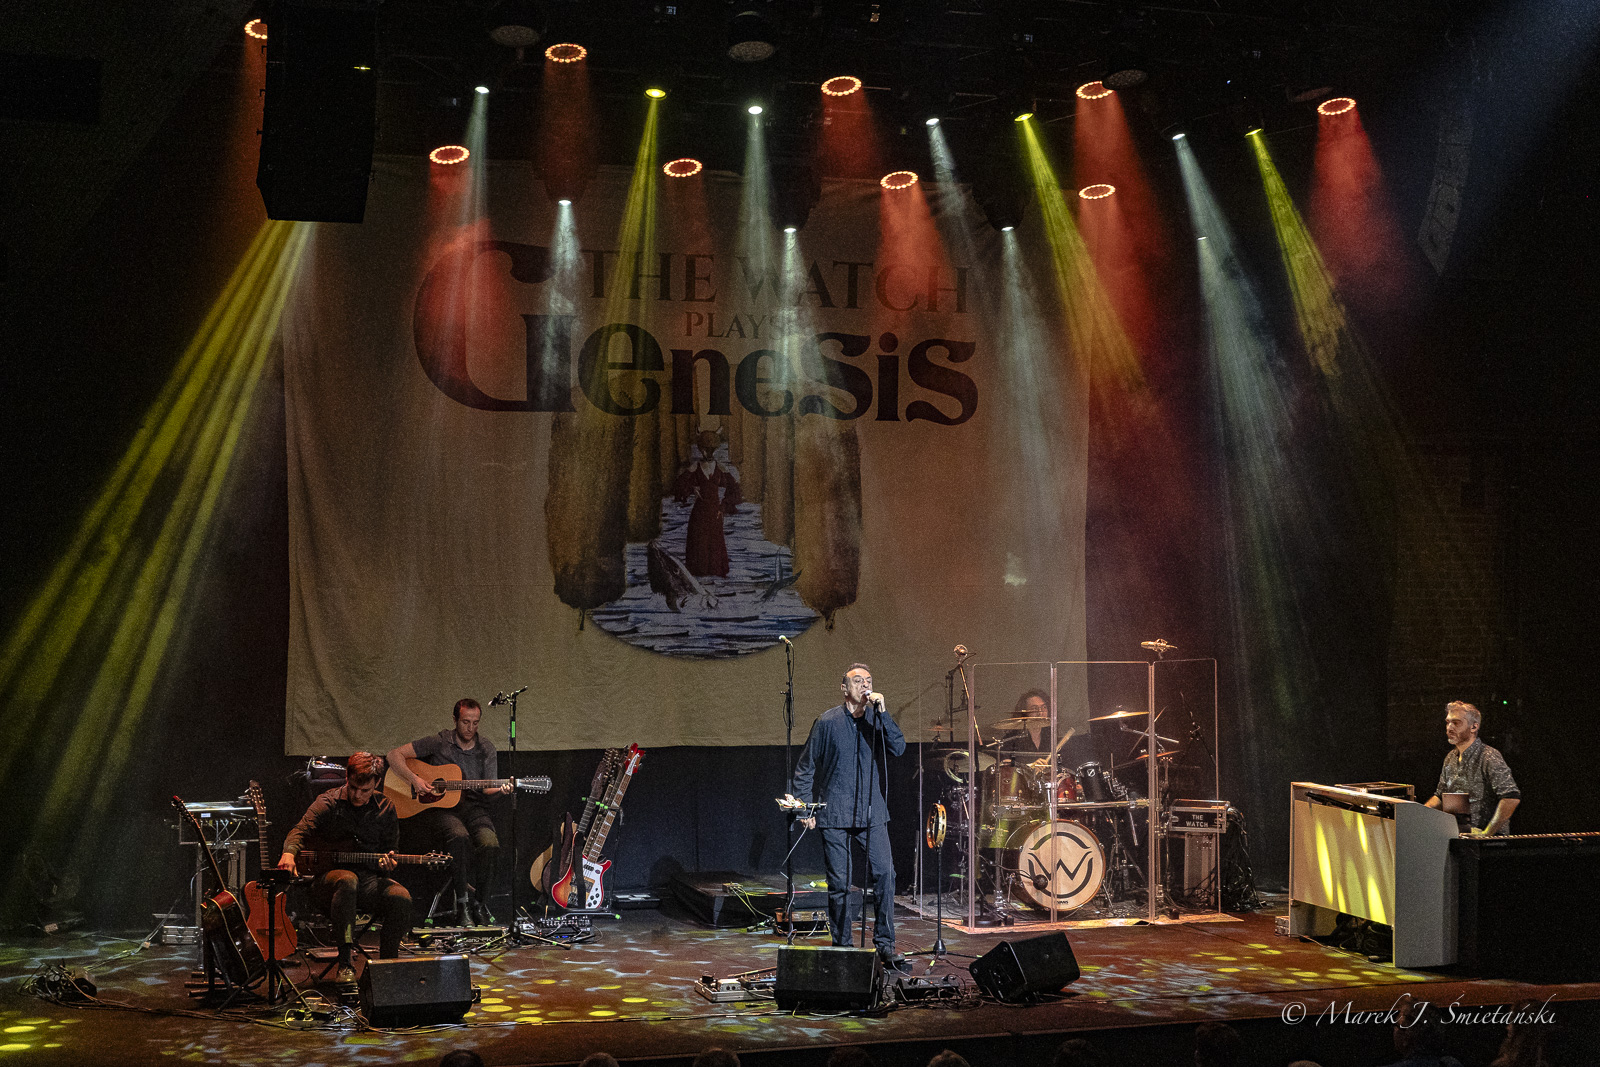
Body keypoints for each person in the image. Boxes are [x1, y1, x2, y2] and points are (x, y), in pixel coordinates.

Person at [786, 663, 908, 972]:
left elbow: (898, 748)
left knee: (886, 875)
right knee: (839, 884)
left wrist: (884, 713)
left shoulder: (876, 719)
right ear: (844, 688)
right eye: (858, 680)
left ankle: (885, 944)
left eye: (869, 680)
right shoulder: (826, 722)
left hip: (871, 812)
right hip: (834, 811)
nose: (865, 685)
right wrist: (804, 808)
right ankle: (842, 946)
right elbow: (806, 767)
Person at [279, 751, 412, 983]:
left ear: (377, 783)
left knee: (401, 897)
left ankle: (388, 968)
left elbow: (391, 850)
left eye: (365, 790)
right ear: (347, 779)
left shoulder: (385, 807)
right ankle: (345, 964)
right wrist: (289, 854)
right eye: (353, 788)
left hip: (367, 882)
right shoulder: (328, 801)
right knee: (347, 879)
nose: (357, 795)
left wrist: (388, 863)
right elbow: (300, 830)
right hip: (327, 884)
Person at [387, 698, 508, 924]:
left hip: (474, 808)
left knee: (490, 844)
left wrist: (502, 789)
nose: (470, 728)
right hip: (443, 810)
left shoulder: (487, 749)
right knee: (459, 837)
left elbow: (488, 789)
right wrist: (415, 780)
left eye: (475, 723)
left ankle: (479, 904)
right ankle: (462, 904)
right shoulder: (439, 742)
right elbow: (394, 755)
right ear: (455, 720)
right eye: (465, 722)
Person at [1423, 701, 1520, 835]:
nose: (1449, 727)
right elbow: (1440, 796)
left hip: (1487, 842)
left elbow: (1511, 797)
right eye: (1448, 722)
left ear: (1474, 727)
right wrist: (1419, 813)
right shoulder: (1450, 757)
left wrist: (1486, 834)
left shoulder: (1489, 756)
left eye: (1456, 723)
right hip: (1459, 836)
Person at [674, 430, 742, 578]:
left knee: (714, 542)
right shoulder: (694, 467)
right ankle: (698, 574)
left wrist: (723, 506)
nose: (708, 453)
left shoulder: (721, 468)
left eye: (711, 450)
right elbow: (679, 486)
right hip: (699, 511)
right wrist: (692, 489)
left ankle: (715, 573)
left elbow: (735, 490)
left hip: (715, 511)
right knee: (698, 540)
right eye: (705, 449)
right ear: (701, 449)